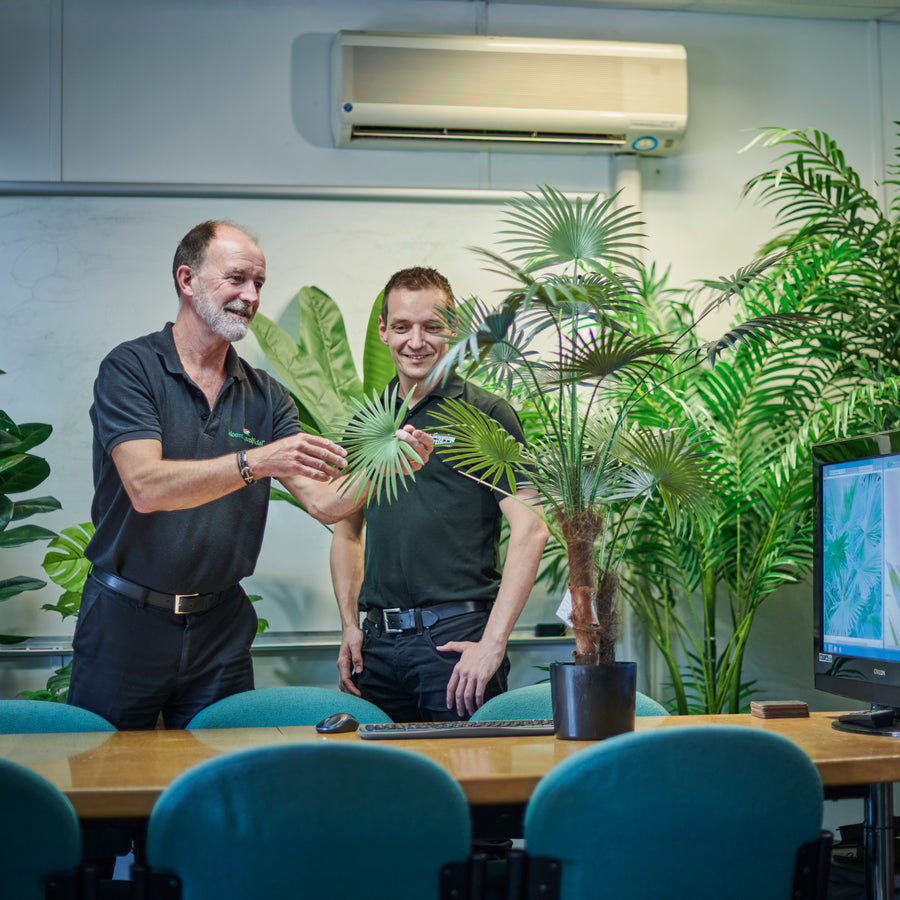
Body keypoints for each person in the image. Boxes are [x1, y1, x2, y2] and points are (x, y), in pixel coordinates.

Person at [68, 221, 433, 731]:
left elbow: (327, 504)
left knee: (220, 786)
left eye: (259, 283)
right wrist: (256, 462)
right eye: (237, 278)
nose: (250, 295)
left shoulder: (266, 396)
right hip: (125, 619)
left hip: (220, 629)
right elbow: (146, 487)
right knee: (102, 779)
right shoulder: (132, 369)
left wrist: (391, 462)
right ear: (187, 279)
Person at [330, 266, 548, 721]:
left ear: (452, 331)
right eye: (403, 327)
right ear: (383, 331)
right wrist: (350, 626)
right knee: (386, 786)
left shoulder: (486, 413)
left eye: (432, 327)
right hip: (377, 647)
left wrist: (493, 643)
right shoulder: (369, 422)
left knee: (469, 782)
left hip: (455, 644)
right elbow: (347, 533)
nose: (417, 341)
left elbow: (531, 528)